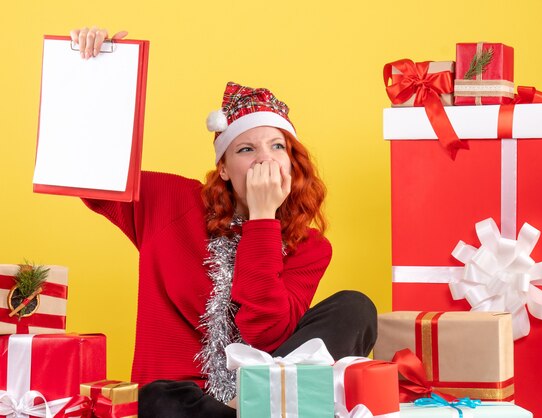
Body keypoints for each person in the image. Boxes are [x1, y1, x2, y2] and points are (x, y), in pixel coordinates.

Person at [70, 27, 378, 417]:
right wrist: (93, 74)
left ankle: (246, 408)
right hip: (184, 402)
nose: (264, 159)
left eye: (277, 147)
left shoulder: (310, 247)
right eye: (246, 149)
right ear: (226, 169)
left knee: (355, 307)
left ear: (291, 164)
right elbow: (90, 176)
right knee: (155, 397)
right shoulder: (170, 201)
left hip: (258, 393)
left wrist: (263, 220)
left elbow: (266, 335)